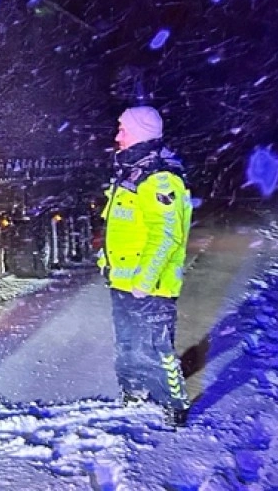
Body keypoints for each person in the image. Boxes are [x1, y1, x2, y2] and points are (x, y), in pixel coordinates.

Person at [99, 106, 193, 427]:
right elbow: (122, 227)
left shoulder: (159, 178)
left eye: (122, 130)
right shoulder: (132, 173)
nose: (117, 136)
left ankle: (174, 406)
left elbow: (167, 235)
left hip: (150, 285)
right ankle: (134, 392)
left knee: (157, 346)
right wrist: (107, 264)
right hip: (124, 281)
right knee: (127, 343)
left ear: (139, 132)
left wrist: (145, 279)